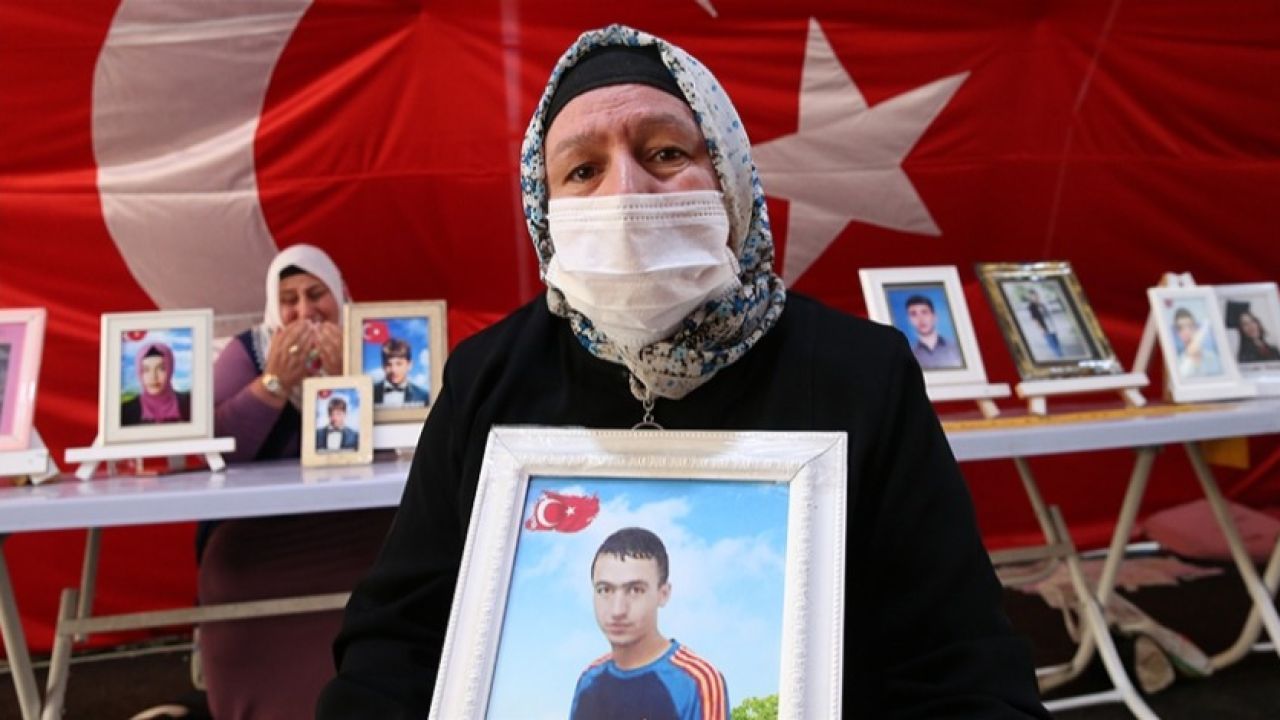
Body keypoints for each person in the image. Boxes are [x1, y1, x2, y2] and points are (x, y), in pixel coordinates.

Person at [318, 26, 1046, 719]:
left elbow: (960, 664)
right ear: (543, 210)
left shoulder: (862, 376)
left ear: (728, 176)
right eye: (583, 170)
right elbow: (398, 642)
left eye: (665, 153)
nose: (625, 194)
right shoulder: (489, 379)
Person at [191, 244, 395, 720]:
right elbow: (215, 448)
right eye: (289, 300)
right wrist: (273, 384)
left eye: (316, 294)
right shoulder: (249, 352)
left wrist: (349, 378)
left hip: (362, 528)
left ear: (338, 295)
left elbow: (408, 443)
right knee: (233, 581)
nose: (304, 311)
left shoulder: (374, 345)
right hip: (256, 538)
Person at [571, 527, 727, 720]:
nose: (617, 610)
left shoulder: (697, 681)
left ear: (663, 594)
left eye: (635, 590)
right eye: (605, 590)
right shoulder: (588, 681)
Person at [120, 342, 191, 425]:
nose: (153, 377)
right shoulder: (125, 411)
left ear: (170, 369)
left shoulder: (189, 403)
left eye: (161, 368)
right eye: (146, 370)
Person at [903, 294, 963, 370]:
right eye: (913, 314)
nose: (920, 319)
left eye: (924, 312)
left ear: (935, 316)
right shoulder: (908, 355)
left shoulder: (956, 347)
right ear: (909, 320)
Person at [371, 337, 430, 407]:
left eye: (399, 364)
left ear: (409, 365)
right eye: (388, 364)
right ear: (383, 366)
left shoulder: (423, 396)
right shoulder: (370, 392)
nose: (393, 370)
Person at [1173, 307, 1223, 378]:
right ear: (1177, 333)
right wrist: (1190, 356)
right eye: (1181, 328)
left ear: (1196, 328)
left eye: (1190, 326)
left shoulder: (1213, 358)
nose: (1186, 331)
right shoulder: (1177, 363)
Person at [1024, 288, 1062, 358]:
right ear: (1030, 298)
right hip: (1045, 328)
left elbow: (1048, 315)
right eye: (1033, 296)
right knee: (1054, 346)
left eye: (1036, 295)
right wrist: (1041, 329)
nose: (1035, 297)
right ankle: (1059, 357)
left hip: (1051, 326)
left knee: (1057, 344)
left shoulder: (1041, 304)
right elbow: (1035, 319)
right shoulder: (1031, 307)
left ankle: (1060, 356)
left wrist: (1054, 326)